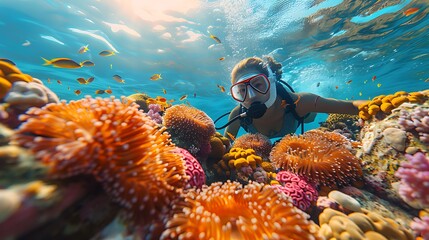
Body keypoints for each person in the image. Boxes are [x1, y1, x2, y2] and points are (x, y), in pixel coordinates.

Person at [222, 56, 368, 140]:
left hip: (302, 115)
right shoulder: (238, 116)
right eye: (242, 90)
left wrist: (385, 105)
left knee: (311, 115)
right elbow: (224, 146)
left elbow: (352, 107)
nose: (251, 96)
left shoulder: (300, 102)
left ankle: (321, 97)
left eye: (258, 84)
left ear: (272, 82)